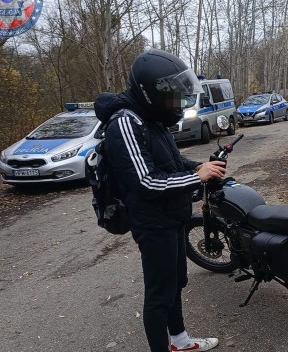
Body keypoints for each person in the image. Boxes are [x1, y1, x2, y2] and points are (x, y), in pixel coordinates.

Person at [94, 49, 226, 352]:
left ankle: (179, 341)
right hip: (153, 223)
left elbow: (169, 160)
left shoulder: (151, 118)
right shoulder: (126, 123)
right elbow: (145, 181)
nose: (177, 105)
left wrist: (195, 167)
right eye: (172, 98)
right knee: (158, 296)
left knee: (176, 283)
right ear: (150, 93)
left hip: (172, 216)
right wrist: (197, 177)